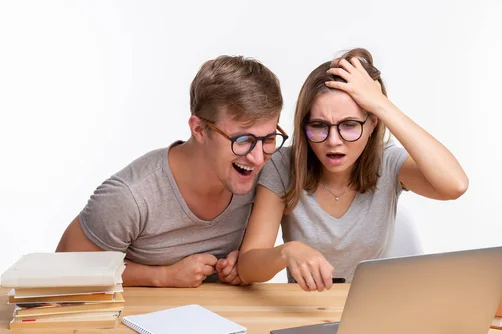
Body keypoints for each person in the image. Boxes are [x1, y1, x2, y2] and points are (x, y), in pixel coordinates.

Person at [236, 48, 469, 291]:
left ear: (373, 123)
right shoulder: (283, 165)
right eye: (319, 125)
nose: (333, 140)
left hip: (374, 307)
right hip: (306, 311)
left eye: (349, 125)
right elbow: (247, 266)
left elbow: (455, 185)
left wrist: (382, 105)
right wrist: (286, 252)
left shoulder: (387, 162)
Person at [56, 55, 288, 287]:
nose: (258, 158)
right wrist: (162, 276)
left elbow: (319, 149)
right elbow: (65, 269)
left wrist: (246, 263)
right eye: (242, 139)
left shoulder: (266, 176)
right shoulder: (130, 196)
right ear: (199, 129)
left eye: (268, 138)